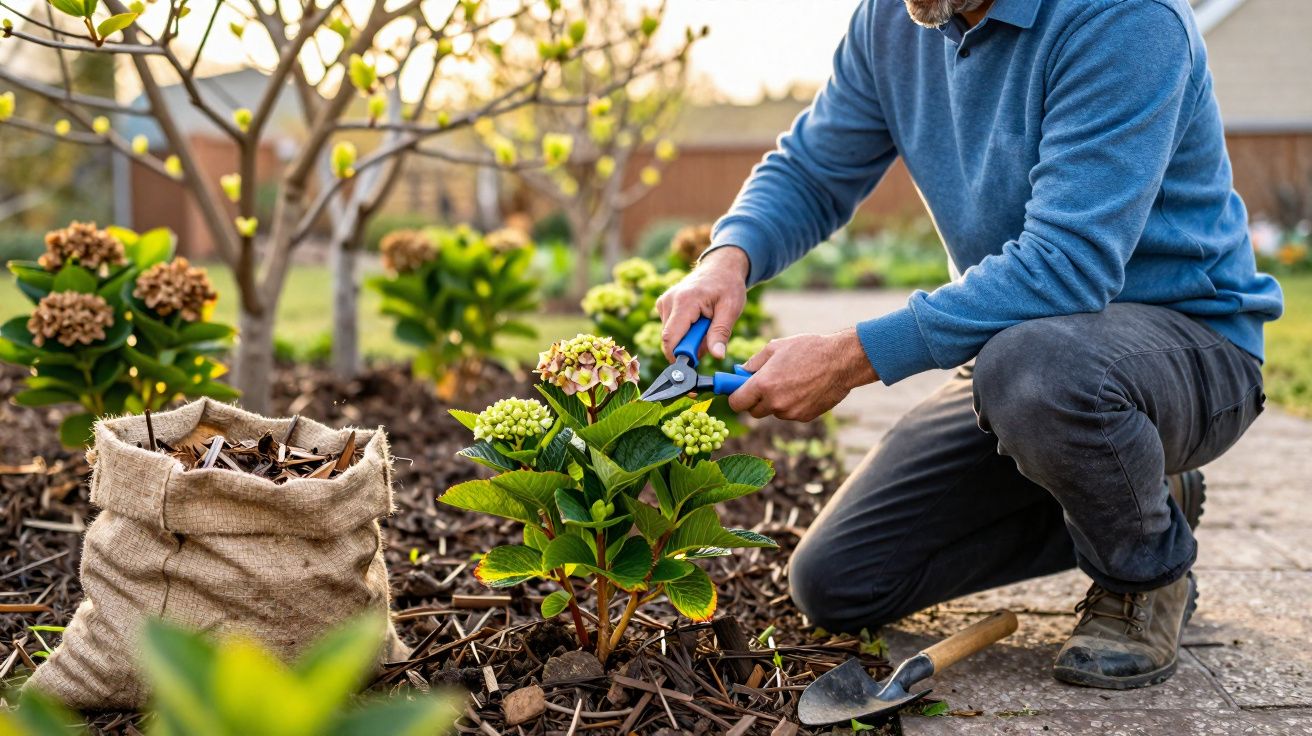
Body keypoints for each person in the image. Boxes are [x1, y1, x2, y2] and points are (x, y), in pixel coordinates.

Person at [655, 0, 1282, 690]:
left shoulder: (1125, 19)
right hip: (1025, 351)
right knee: (837, 582)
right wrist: (728, 257)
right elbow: (812, 169)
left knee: (1034, 370)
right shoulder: (892, 22)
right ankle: (1131, 489)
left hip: (1187, 347)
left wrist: (847, 356)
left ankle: (1144, 571)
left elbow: (1067, 265)